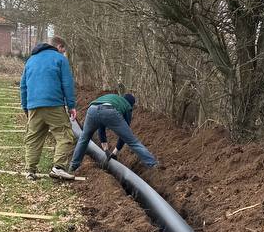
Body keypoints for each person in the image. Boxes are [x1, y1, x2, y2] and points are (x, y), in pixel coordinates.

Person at [19, 37, 77, 181]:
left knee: (33, 137)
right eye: (63, 50)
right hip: (53, 104)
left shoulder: (31, 60)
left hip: (33, 106)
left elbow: (23, 86)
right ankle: (58, 167)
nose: (63, 53)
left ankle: (30, 170)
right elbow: (67, 83)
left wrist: (25, 107)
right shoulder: (60, 59)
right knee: (65, 136)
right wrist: (71, 105)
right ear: (59, 46)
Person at [70, 93, 159, 173]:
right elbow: (124, 135)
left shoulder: (114, 98)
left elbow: (101, 127)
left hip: (92, 109)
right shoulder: (127, 106)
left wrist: (106, 150)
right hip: (109, 111)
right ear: (131, 104)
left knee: (84, 138)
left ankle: (73, 166)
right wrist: (115, 152)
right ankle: (153, 163)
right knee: (132, 141)